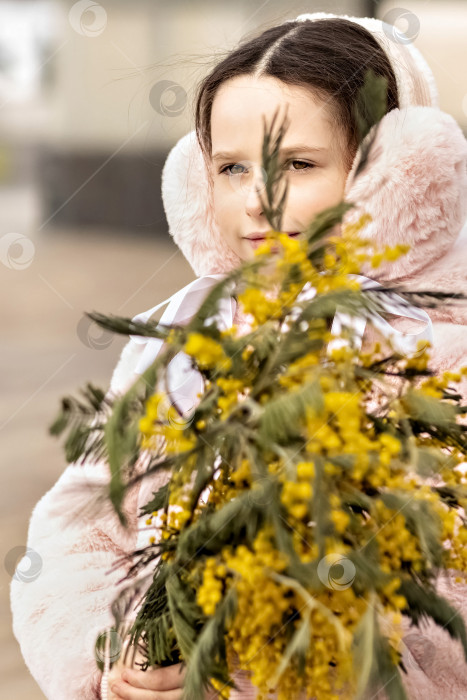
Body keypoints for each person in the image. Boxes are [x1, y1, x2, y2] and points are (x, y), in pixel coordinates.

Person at [10, 11, 467, 700]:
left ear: (394, 173)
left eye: (298, 165)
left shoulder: (440, 348)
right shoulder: (185, 330)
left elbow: (446, 598)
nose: (259, 199)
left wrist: (286, 666)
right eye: (230, 168)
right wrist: (114, 656)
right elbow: (82, 527)